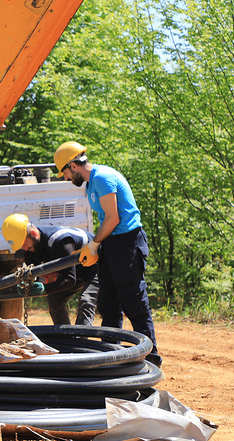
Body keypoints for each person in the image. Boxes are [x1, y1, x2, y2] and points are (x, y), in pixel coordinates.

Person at [54, 141, 162, 367]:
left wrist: (93, 244)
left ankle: (151, 357)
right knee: (108, 304)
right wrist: (97, 245)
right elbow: (106, 219)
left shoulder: (102, 178)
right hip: (112, 244)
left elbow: (113, 218)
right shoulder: (90, 183)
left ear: (73, 165)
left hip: (127, 243)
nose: (65, 178)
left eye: (64, 172)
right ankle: (112, 357)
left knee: (133, 301)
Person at [2, 213, 99, 326]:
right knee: (54, 300)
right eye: (21, 246)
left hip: (96, 267)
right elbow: (35, 276)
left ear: (33, 234)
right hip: (77, 269)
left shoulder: (61, 241)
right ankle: (66, 339)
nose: (24, 248)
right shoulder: (30, 248)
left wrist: (45, 289)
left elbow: (70, 279)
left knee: (86, 301)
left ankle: (82, 341)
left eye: (24, 244)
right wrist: (27, 285)